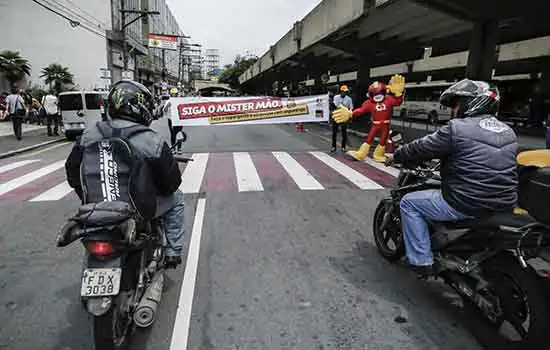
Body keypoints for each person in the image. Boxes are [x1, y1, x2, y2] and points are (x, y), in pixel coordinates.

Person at [386, 79, 518, 277]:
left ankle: (421, 261)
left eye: (457, 104)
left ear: (472, 103)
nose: (455, 109)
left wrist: (396, 155)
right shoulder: (508, 131)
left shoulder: (457, 128)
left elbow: (421, 147)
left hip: (467, 202)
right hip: (503, 202)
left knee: (408, 203)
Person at [64, 80, 185, 268]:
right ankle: (173, 251)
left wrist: (88, 196)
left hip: (96, 206)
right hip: (137, 209)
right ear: (142, 107)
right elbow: (171, 184)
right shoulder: (151, 140)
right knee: (177, 199)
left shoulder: (89, 134)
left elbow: (73, 172)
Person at [331, 85, 354, 152]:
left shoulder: (349, 99)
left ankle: (343, 147)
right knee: (334, 132)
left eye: (345, 92)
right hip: (337, 116)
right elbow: (335, 105)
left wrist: (350, 116)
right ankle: (333, 146)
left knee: (344, 132)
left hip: (344, 117)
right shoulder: (336, 97)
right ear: (340, 91)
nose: (344, 93)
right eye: (343, 91)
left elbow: (351, 108)